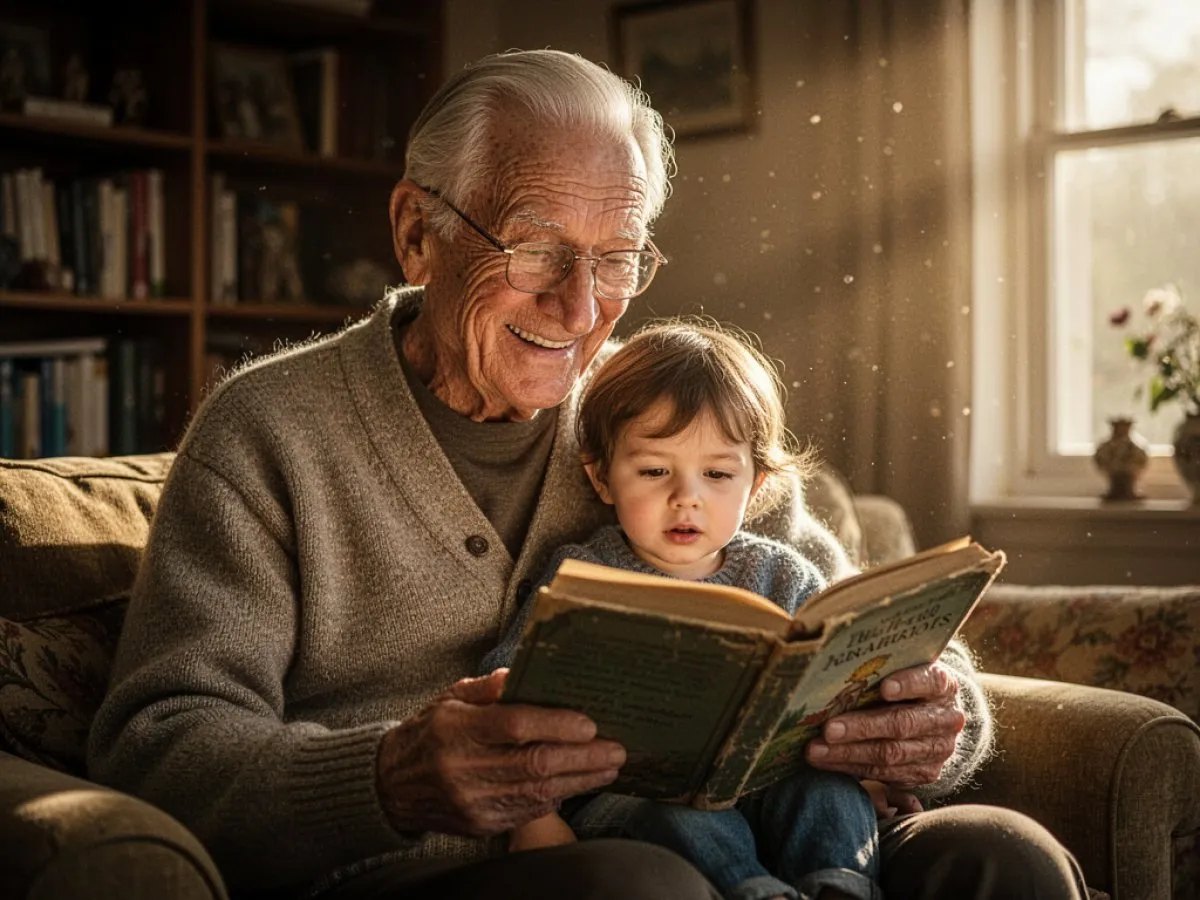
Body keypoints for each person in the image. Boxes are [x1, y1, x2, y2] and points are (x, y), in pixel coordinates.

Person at [87, 48, 1090, 900]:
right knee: (642, 886)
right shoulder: (269, 432)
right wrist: (386, 777)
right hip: (446, 871)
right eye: (535, 249)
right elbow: (159, 748)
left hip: (767, 838)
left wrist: (931, 719)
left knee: (1002, 859)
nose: (581, 308)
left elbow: (867, 625)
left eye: (618, 258)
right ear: (414, 232)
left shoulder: (657, 412)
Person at [480, 321, 883, 900]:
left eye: (718, 474)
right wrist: (533, 819)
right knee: (676, 820)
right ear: (601, 477)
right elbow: (509, 695)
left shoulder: (783, 574)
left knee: (832, 795)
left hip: (763, 785)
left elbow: (838, 684)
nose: (686, 496)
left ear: (758, 485)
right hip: (632, 801)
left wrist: (865, 761)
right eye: (653, 471)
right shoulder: (580, 578)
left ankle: (840, 890)